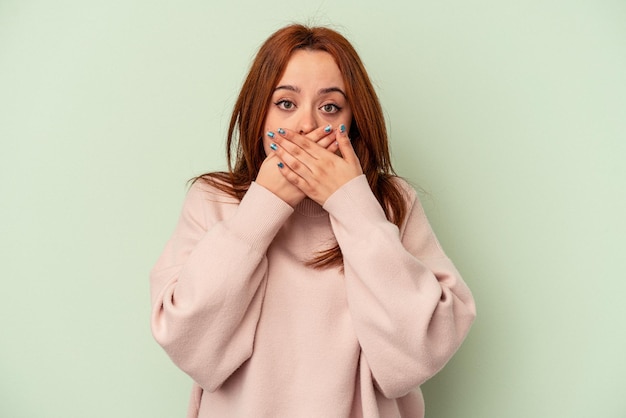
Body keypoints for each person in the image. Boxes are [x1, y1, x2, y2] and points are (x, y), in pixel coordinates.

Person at [150, 24, 476, 418]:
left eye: (330, 107)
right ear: (260, 111)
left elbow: (425, 347)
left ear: (353, 121)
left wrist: (352, 203)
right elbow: (187, 342)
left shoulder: (390, 204)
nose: (306, 125)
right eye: (286, 103)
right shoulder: (213, 200)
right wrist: (262, 207)